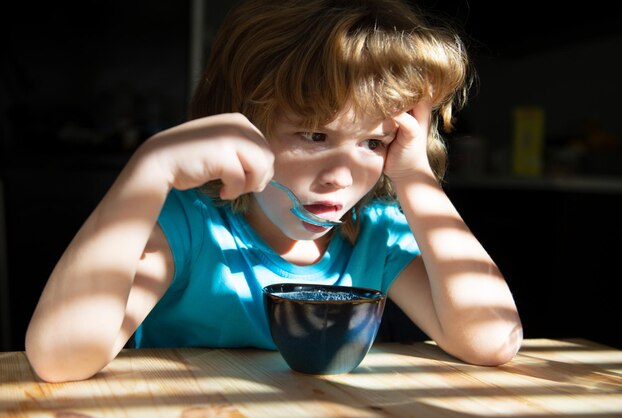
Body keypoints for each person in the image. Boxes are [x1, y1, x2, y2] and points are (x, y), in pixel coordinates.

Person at [25, 0, 523, 382]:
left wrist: (416, 178)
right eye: (314, 136)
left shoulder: (376, 234)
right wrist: (146, 173)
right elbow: (59, 359)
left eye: (374, 142)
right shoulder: (191, 227)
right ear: (241, 122)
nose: (341, 176)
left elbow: (493, 340)